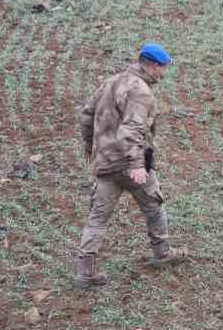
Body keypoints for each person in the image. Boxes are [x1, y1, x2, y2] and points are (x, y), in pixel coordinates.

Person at [72, 44, 181, 289]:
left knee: (98, 218)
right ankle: (162, 253)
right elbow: (131, 130)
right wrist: (136, 164)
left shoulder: (111, 82)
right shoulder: (141, 91)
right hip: (130, 163)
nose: (163, 74)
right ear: (153, 66)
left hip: (105, 163)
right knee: (154, 205)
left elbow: (87, 115)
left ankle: (84, 272)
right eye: (163, 69)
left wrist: (89, 144)